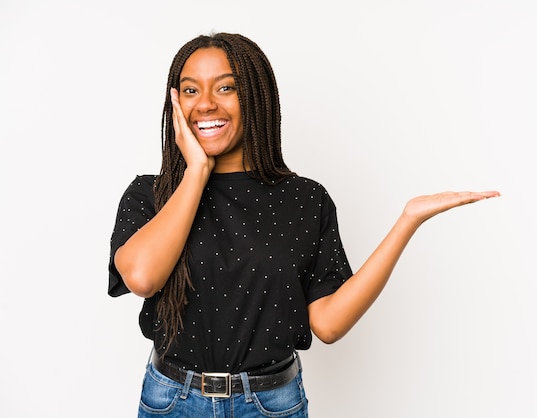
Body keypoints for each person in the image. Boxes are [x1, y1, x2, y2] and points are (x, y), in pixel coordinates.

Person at [108, 32, 500, 417]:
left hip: (269, 404)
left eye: (225, 88)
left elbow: (328, 324)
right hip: (172, 401)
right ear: (175, 103)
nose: (206, 104)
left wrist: (407, 222)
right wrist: (196, 170)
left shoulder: (305, 199)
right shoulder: (151, 194)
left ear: (255, 98)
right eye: (191, 91)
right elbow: (143, 278)